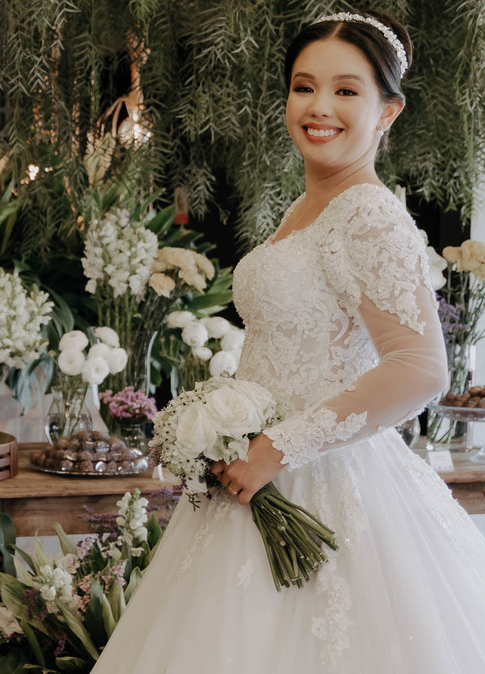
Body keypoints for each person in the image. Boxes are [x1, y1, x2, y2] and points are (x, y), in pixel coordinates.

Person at [93, 10, 485, 673]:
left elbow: (421, 368)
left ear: (388, 111)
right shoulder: (309, 205)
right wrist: (223, 427)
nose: (319, 106)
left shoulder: (366, 213)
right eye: (304, 87)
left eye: (347, 90)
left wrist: (278, 445)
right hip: (257, 477)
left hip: (327, 482)